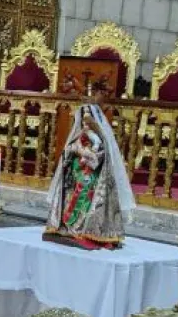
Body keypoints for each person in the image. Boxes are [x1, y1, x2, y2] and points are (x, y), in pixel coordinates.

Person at [43, 102, 135, 249]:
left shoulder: (101, 140)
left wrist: (84, 153)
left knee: (84, 196)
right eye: (83, 122)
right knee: (70, 199)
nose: (85, 125)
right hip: (75, 175)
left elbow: (98, 160)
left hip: (91, 178)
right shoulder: (79, 136)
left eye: (88, 122)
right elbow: (68, 152)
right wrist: (73, 151)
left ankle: (84, 229)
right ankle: (69, 228)